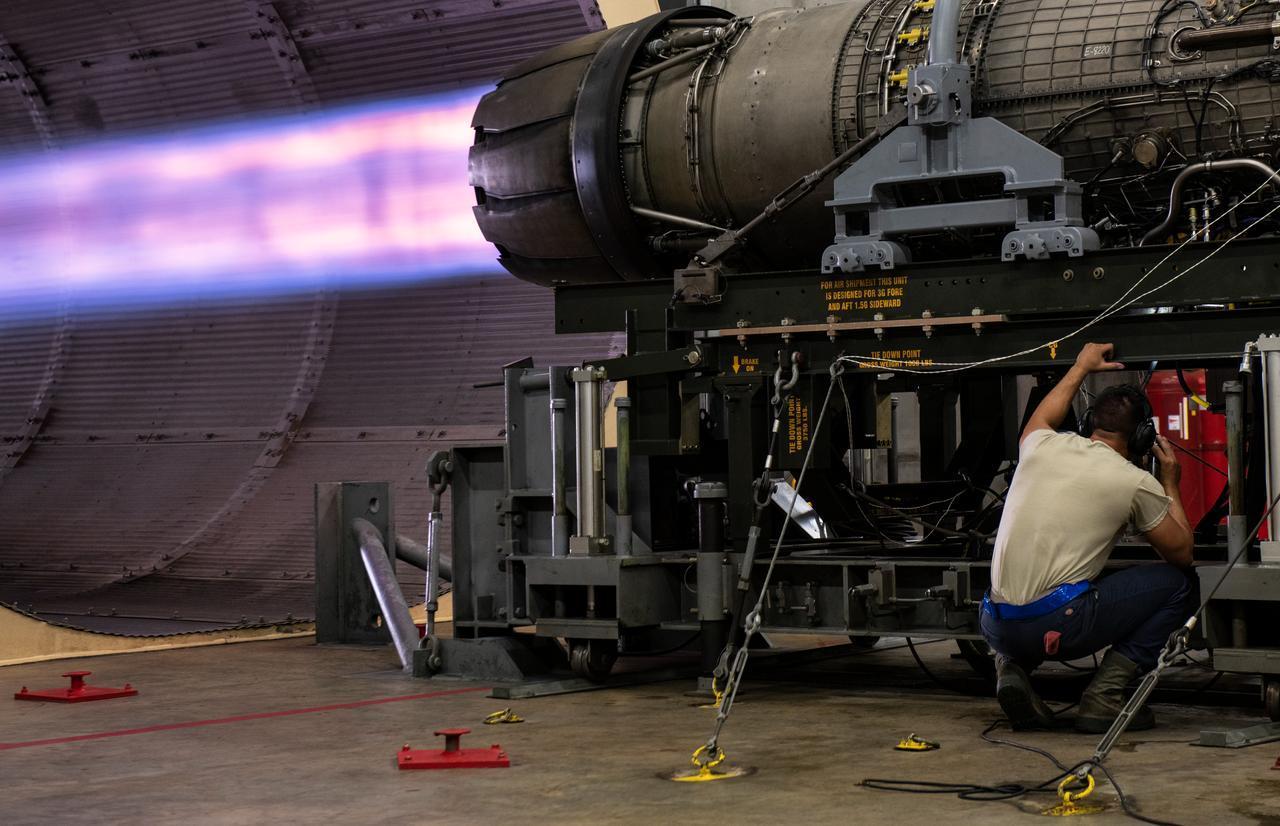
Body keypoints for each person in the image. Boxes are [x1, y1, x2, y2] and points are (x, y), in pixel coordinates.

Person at [981, 342, 1196, 733]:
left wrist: (1081, 365)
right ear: (1144, 438)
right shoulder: (1134, 482)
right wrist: (1171, 483)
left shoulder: (1039, 444)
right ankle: (1104, 697)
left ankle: (1010, 666)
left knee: (1036, 591)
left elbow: (1046, 412)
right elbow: (1182, 553)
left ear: (1086, 425)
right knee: (1180, 585)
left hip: (994, 623)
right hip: (1057, 626)